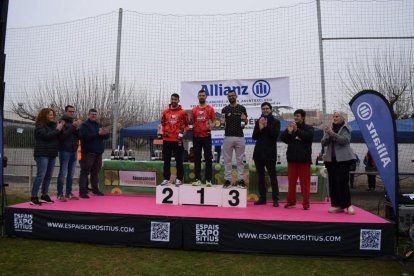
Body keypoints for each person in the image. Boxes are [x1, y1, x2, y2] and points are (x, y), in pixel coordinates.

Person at [322, 111, 356, 215]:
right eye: (334, 116)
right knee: (333, 183)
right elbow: (323, 142)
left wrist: (332, 134)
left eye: (337, 116)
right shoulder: (329, 128)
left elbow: (344, 141)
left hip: (343, 160)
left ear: (342, 118)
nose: (335, 118)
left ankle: (348, 205)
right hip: (331, 161)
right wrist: (328, 135)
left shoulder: (346, 128)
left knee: (342, 183)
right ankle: (337, 206)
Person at [280, 109, 314, 210]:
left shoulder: (309, 128)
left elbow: (308, 136)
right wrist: (289, 132)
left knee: (305, 184)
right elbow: (283, 139)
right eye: (295, 116)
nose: (295, 118)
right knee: (291, 183)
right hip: (292, 160)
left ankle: (306, 204)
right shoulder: (291, 127)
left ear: (303, 117)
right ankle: (291, 202)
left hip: (304, 161)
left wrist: (297, 131)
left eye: (298, 116)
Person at [31, 108, 65, 205]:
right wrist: (58, 129)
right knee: (40, 175)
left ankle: (44, 195)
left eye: (53, 115)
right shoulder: (39, 126)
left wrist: (61, 128)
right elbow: (46, 136)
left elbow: (59, 137)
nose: (52, 116)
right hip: (42, 154)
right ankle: (34, 196)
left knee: (48, 176)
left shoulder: (54, 125)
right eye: (50, 114)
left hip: (52, 153)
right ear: (44, 115)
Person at [252, 102, 281, 207]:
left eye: (267, 108)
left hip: (270, 154)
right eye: (263, 108)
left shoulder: (276, 122)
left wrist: (266, 126)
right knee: (261, 177)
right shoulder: (258, 121)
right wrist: (260, 127)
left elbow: (275, 135)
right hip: (259, 154)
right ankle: (263, 198)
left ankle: (275, 199)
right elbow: (254, 137)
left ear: (271, 109)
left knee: (273, 177)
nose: (265, 110)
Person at [78, 109, 110, 198]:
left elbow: (106, 137)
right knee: (85, 172)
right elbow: (84, 137)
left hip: (98, 153)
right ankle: (82, 191)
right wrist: (98, 133)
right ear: (88, 115)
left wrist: (106, 133)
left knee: (95, 172)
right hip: (88, 153)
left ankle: (95, 190)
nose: (94, 116)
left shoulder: (99, 125)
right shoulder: (84, 125)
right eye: (92, 114)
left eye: (95, 114)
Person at [159, 93, 189, 186]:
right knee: (166, 160)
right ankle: (166, 179)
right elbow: (162, 124)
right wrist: (162, 132)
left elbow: (187, 125)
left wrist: (183, 133)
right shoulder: (165, 112)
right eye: (172, 99)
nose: (173, 101)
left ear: (178, 100)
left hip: (178, 140)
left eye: (175, 99)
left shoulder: (183, 112)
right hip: (167, 140)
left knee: (179, 160)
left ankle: (179, 179)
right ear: (170, 100)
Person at [221, 90, 248, 188]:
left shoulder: (242, 108)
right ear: (228, 97)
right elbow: (222, 125)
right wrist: (221, 122)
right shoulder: (224, 109)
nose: (231, 97)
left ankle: (240, 180)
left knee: (240, 160)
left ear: (236, 96)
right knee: (227, 160)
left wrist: (245, 120)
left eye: (233, 95)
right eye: (229, 96)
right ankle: (227, 180)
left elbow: (245, 124)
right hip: (228, 137)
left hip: (240, 137)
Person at [56, 105, 82, 201]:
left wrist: (78, 128)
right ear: (65, 112)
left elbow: (79, 137)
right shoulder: (61, 121)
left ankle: (69, 193)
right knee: (63, 173)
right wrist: (73, 127)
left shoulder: (74, 122)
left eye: (73, 111)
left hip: (73, 150)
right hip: (64, 150)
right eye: (70, 111)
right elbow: (62, 137)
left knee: (71, 173)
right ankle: (59, 194)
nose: (72, 113)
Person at [191, 89, 216, 187]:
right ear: (198, 97)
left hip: (206, 136)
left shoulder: (210, 109)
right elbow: (193, 122)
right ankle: (198, 179)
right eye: (200, 95)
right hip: (196, 136)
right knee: (197, 158)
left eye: (203, 95)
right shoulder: (194, 110)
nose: (201, 97)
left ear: (206, 97)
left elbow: (214, 121)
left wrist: (211, 126)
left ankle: (208, 180)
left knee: (208, 158)